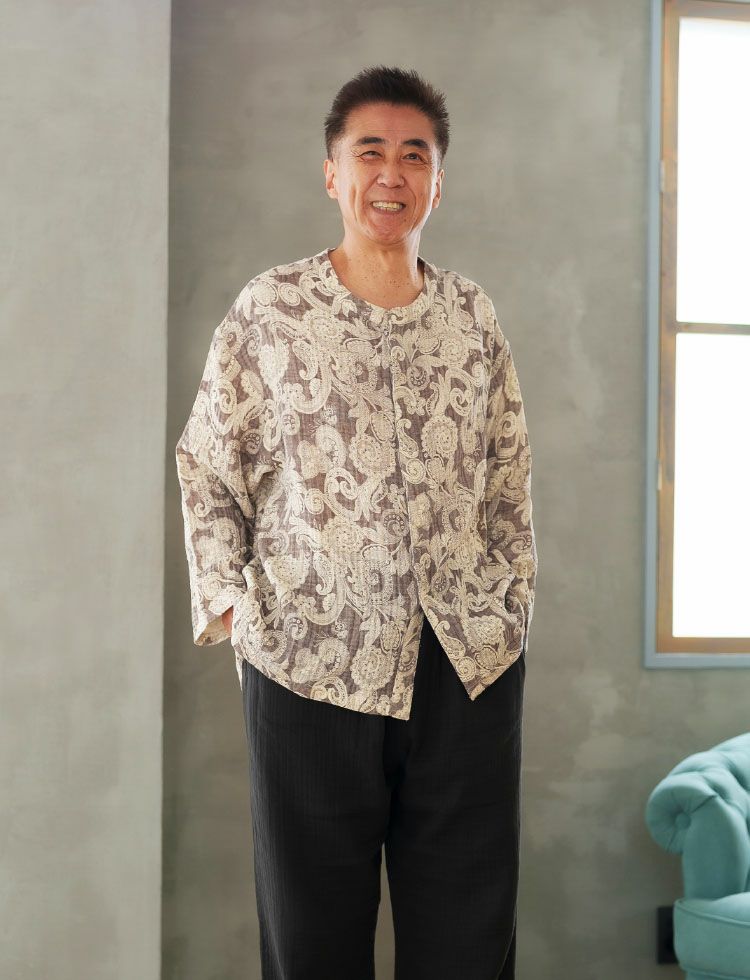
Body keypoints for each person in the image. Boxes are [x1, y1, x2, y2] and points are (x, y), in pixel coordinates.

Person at [175, 64, 537, 980]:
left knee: (467, 941)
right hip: (307, 662)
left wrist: (509, 606)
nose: (391, 173)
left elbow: (508, 472)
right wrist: (235, 609)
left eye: (415, 156)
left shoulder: (471, 315)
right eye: (369, 152)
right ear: (332, 172)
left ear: (438, 183)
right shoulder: (271, 310)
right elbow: (207, 462)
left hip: (466, 663)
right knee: (313, 945)